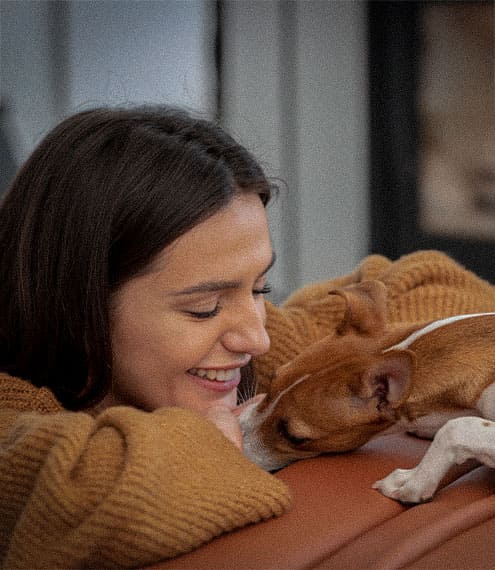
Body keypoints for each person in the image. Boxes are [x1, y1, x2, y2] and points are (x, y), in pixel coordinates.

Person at [2, 105, 495, 569]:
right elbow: (70, 487)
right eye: (204, 307)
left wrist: (379, 354)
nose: (256, 338)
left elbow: (434, 284)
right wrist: (208, 444)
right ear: (77, 300)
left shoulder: (255, 353)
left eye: (261, 287)